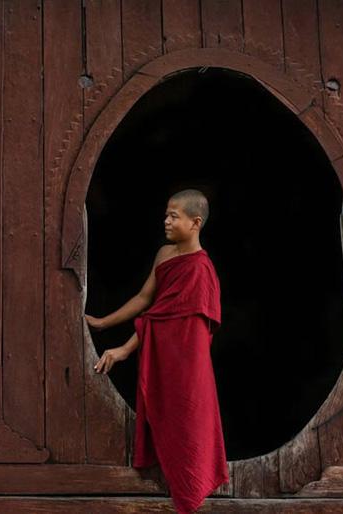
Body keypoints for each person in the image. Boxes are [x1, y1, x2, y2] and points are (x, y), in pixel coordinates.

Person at [87, 189, 228, 514]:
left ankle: (191, 489)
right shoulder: (164, 254)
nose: (165, 221)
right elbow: (145, 300)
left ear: (195, 223)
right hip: (162, 354)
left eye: (173, 216)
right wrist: (103, 322)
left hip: (188, 364)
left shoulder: (201, 269)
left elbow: (168, 321)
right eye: (165, 214)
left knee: (190, 421)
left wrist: (124, 349)